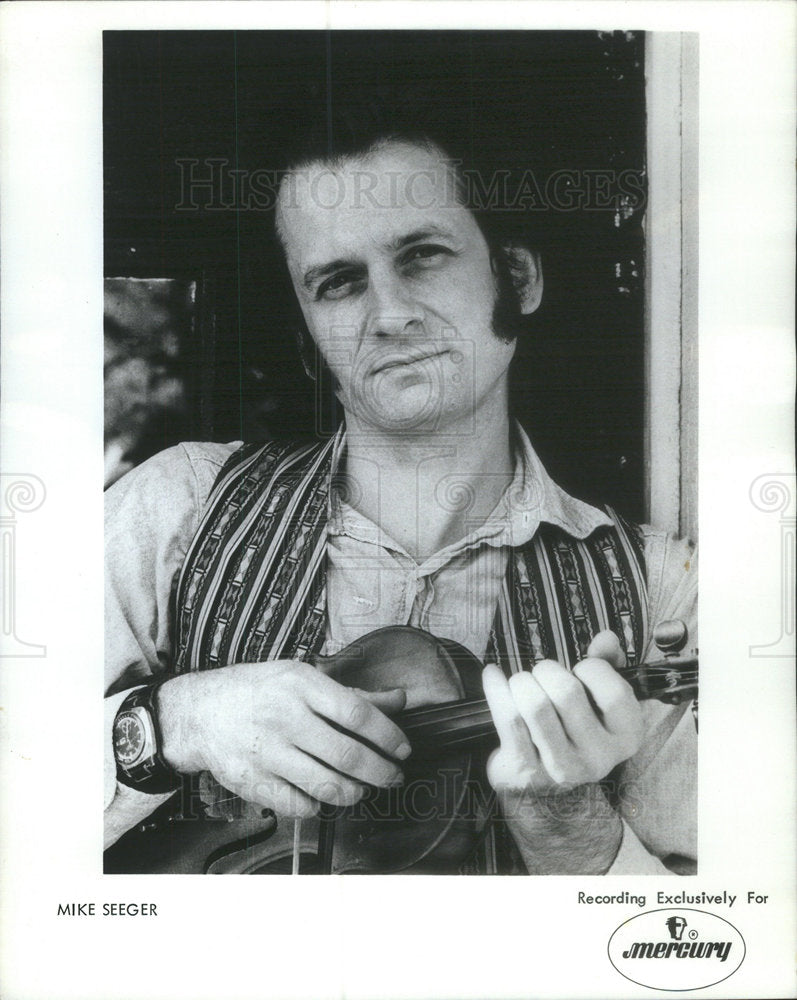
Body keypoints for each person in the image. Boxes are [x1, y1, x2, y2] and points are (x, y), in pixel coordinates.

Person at [104, 121, 697, 875]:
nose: (389, 314)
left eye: (422, 256)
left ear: (515, 277)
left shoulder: (663, 594)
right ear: (307, 337)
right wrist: (173, 722)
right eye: (339, 281)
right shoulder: (176, 508)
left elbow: (702, 946)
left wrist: (568, 824)